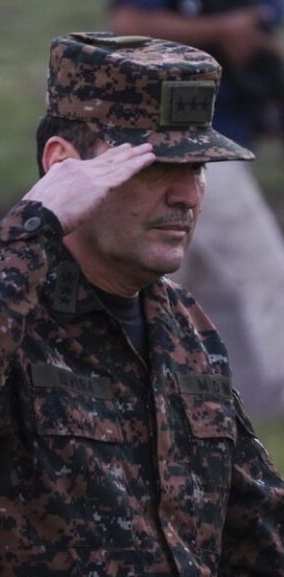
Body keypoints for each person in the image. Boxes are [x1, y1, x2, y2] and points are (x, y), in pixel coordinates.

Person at [0, 33, 284, 576]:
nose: (187, 195)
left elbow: (258, 533)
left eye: (198, 168)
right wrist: (35, 225)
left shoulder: (184, 327)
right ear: (62, 166)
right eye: (154, 166)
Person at [110, 0, 284, 408]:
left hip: (217, 140)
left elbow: (258, 36)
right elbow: (127, 24)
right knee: (266, 273)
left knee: (162, 286)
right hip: (172, 144)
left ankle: (136, 395)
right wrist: (225, 28)